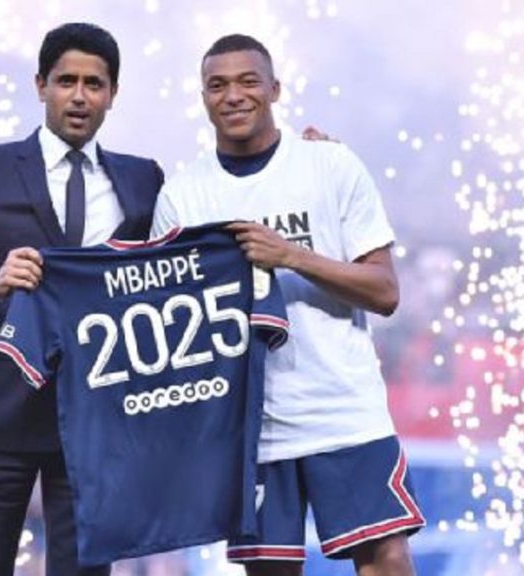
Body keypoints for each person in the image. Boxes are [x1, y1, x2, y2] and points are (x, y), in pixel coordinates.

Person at [151, 34, 425, 576]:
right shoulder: (182, 196)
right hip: (252, 427)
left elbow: (385, 292)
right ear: (203, 98)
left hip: (344, 411)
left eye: (248, 81)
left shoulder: (330, 165)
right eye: (217, 85)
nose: (233, 95)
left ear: (275, 89)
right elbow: (174, 327)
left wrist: (291, 256)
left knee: (386, 557)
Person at [0, 22, 162, 576]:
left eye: (94, 84)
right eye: (66, 81)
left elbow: (192, 248)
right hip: (0, 415)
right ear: (40, 85)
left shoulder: (144, 180)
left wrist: (308, 160)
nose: (79, 96)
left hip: (97, 420)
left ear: (113, 94)